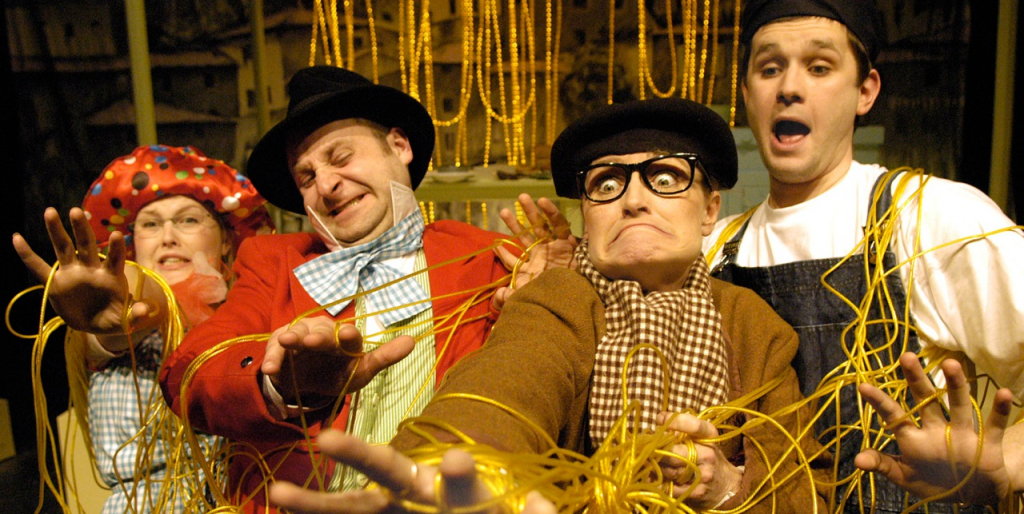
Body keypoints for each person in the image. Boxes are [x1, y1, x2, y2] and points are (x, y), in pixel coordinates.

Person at [268, 97, 831, 514]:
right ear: (588, 215)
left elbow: (805, 487)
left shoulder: (754, 325)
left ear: (709, 210)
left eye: (664, 177)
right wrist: (451, 466)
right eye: (606, 184)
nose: (634, 200)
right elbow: (508, 381)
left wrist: (727, 488)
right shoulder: (557, 295)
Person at [157, 65, 572, 513]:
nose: (327, 185)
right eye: (306, 177)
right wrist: (279, 384)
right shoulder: (273, 263)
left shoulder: (491, 259)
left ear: (400, 146)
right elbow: (187, 374)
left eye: (340, 158)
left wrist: (557, 288)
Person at [703, 0, 1024, 510]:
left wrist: (1004, 462)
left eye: (819, 67)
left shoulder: (932, 218)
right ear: (746, 95)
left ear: (865, 91)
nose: (789, 87)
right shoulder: (714, 251)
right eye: (769, 68)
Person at [13, 144, 275, 513]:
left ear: (227, 241)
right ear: (132, 245)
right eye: (151, 224)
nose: (168, 236)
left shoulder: (256, 313)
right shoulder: (129, 306)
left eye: (188, 220)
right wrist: (112, 320)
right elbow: (138, 308)